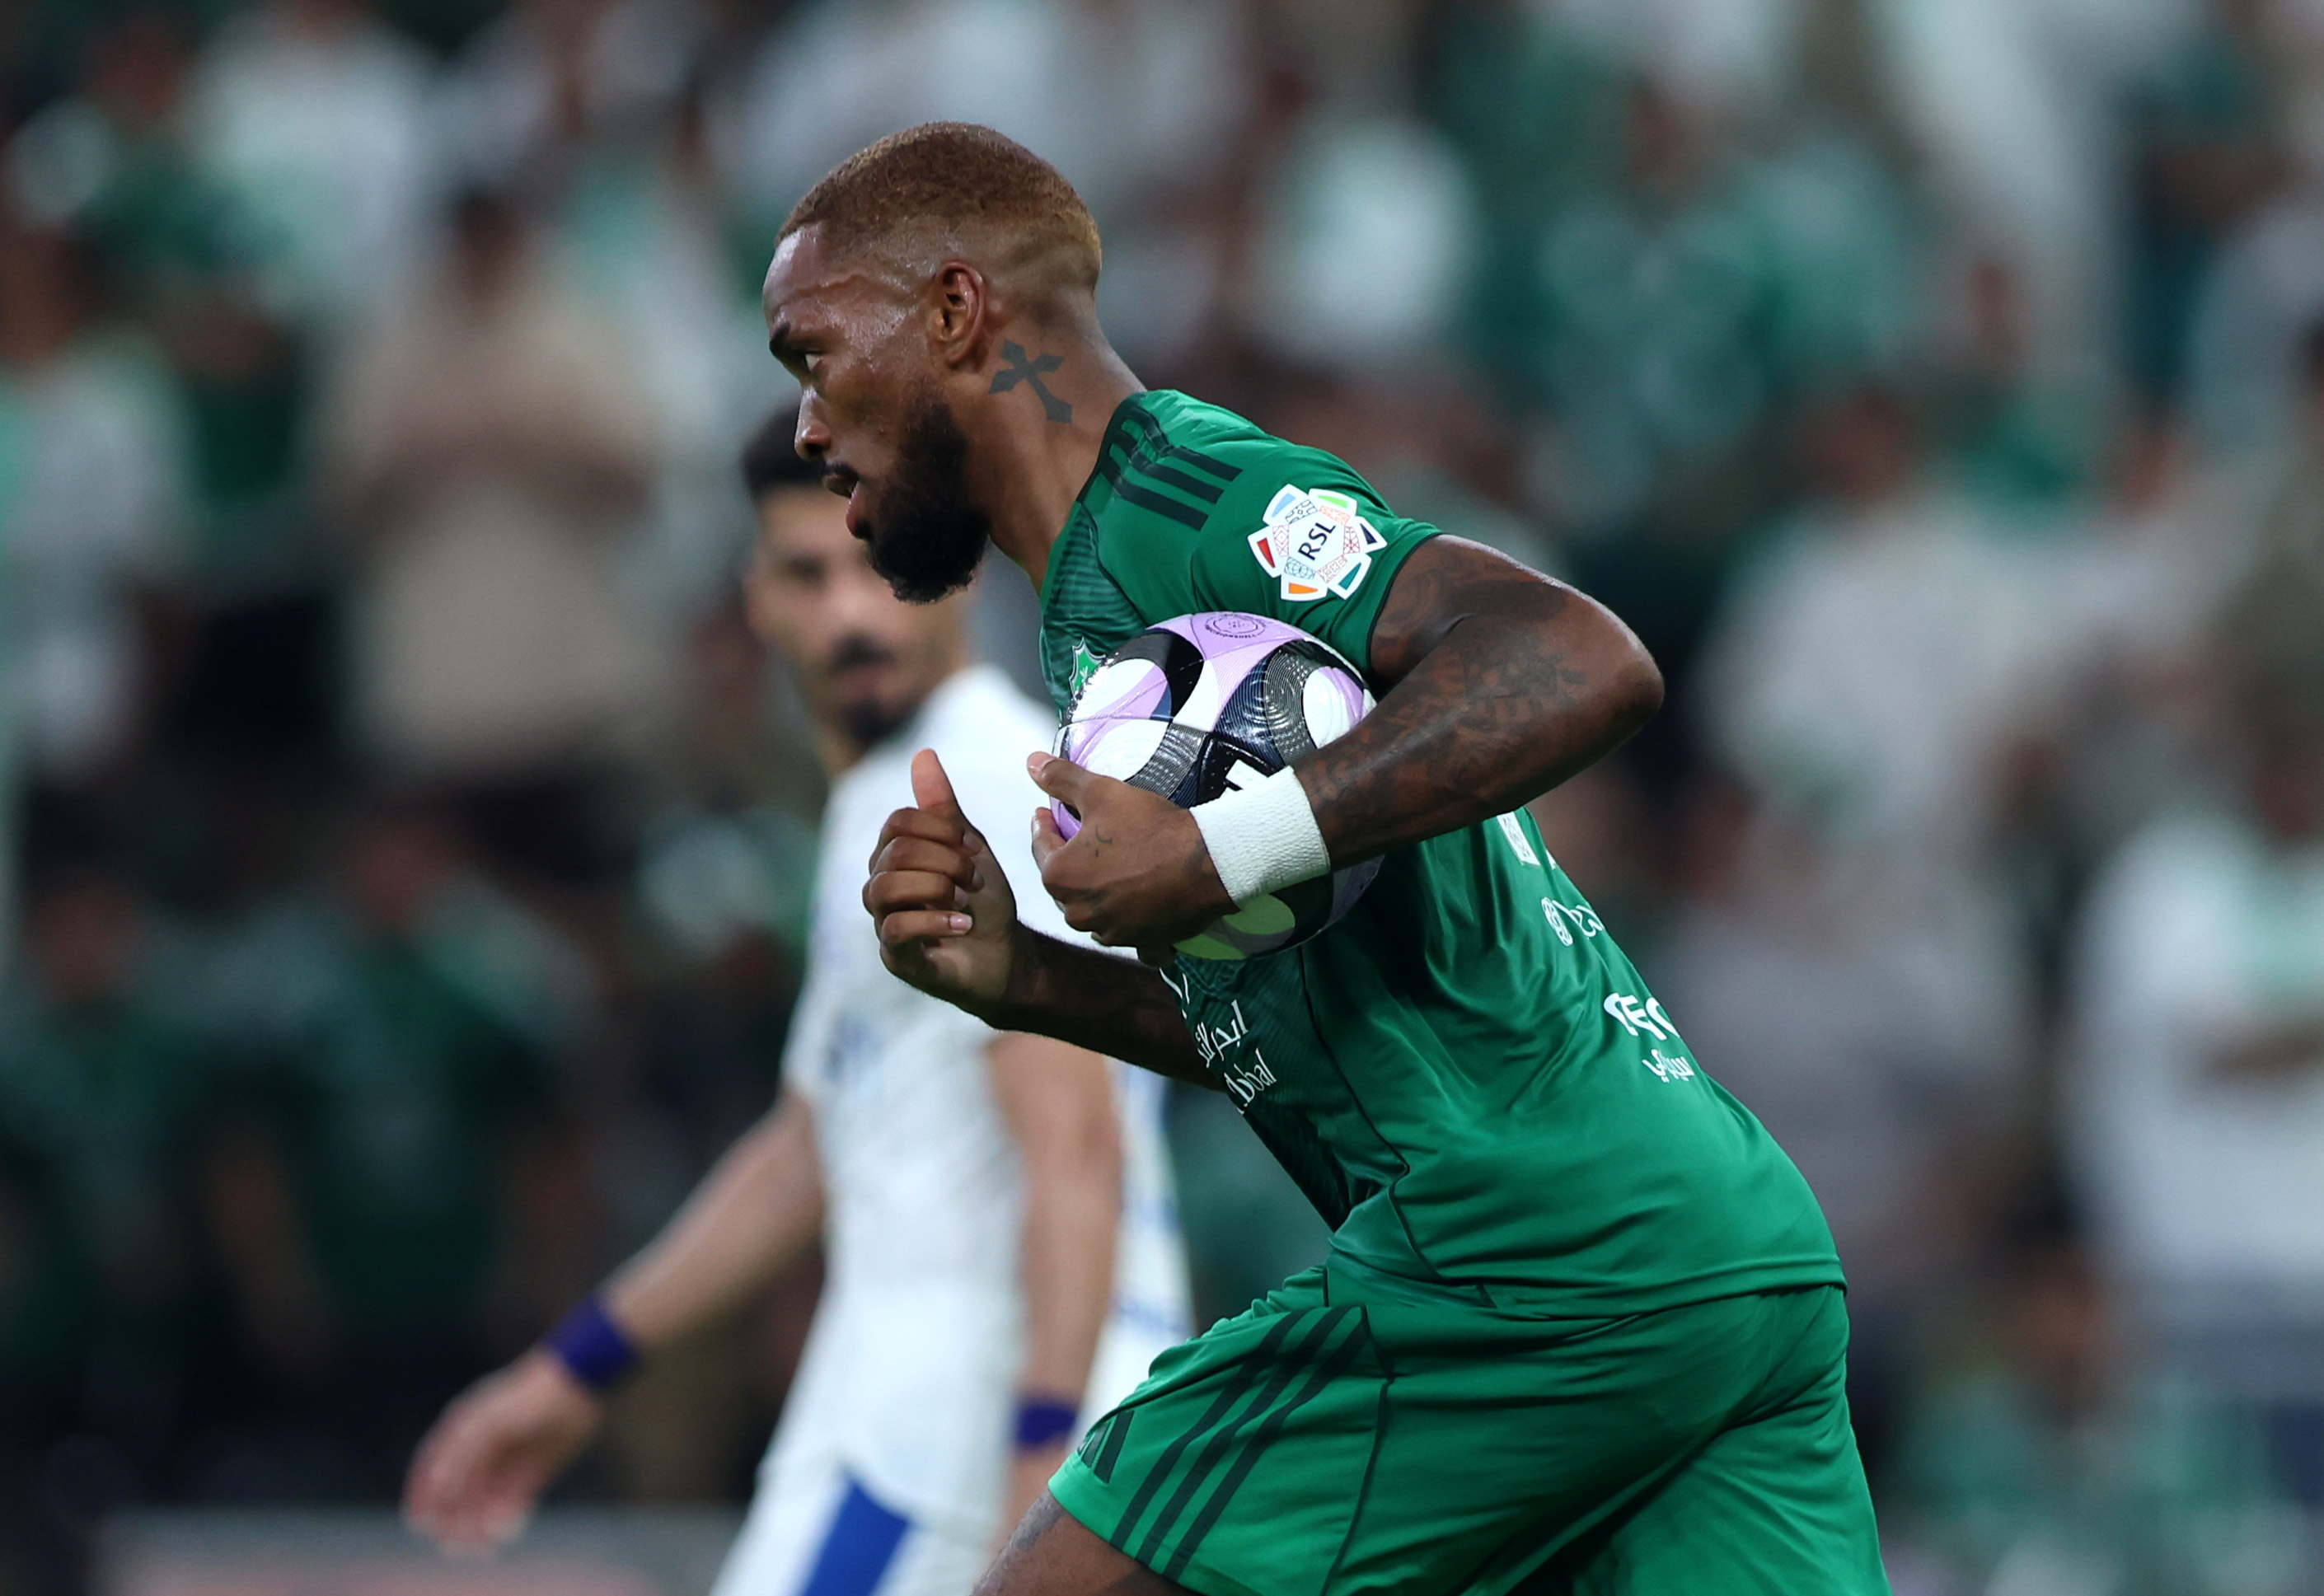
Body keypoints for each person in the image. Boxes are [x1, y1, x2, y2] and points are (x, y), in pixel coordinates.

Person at [802, 124, 1888, 1594]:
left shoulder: (1186, 497)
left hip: (1533, 1248)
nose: (806, 426)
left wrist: (1218, 842)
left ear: (952, 311)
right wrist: (1035, 978)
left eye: (812, 352)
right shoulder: (1107, 613)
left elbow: (1581, 656)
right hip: (1719, 1250)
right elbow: (1322, 1032)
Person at [401, 412, 1189, 1596]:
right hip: (972, 1415)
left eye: (878, 566)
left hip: (964, 1432)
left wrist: (1039, 1490)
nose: (849, 616)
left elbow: (1075, 1152)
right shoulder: (887, 793)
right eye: (807, 573)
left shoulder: (971, 777)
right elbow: (810, 1144)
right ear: (755, 597)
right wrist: (575, 1368)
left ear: (959, 575)